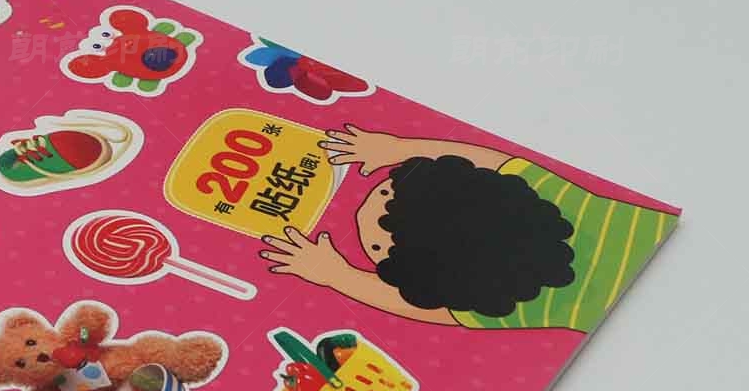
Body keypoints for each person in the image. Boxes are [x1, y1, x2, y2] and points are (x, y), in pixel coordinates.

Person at [258, 125, 674, 331]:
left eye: (378, 252)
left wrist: (335, 275)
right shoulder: (553, 196)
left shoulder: (490, 309)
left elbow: (409, 303)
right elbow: (489, 162)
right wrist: (398, 149)